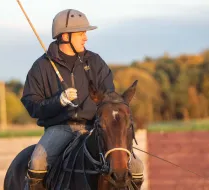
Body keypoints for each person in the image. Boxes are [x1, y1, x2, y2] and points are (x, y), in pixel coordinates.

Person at [21, 9, 144, 190]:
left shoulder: (95, 62)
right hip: (59, 128)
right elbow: (31, 103)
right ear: (64, 36)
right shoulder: (42, 66)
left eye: (85, 33)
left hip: (95, 128)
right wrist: (58, 101)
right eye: (80, 33)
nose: (85, 38)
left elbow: (109, 98)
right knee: (38, 162)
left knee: (136, 166)